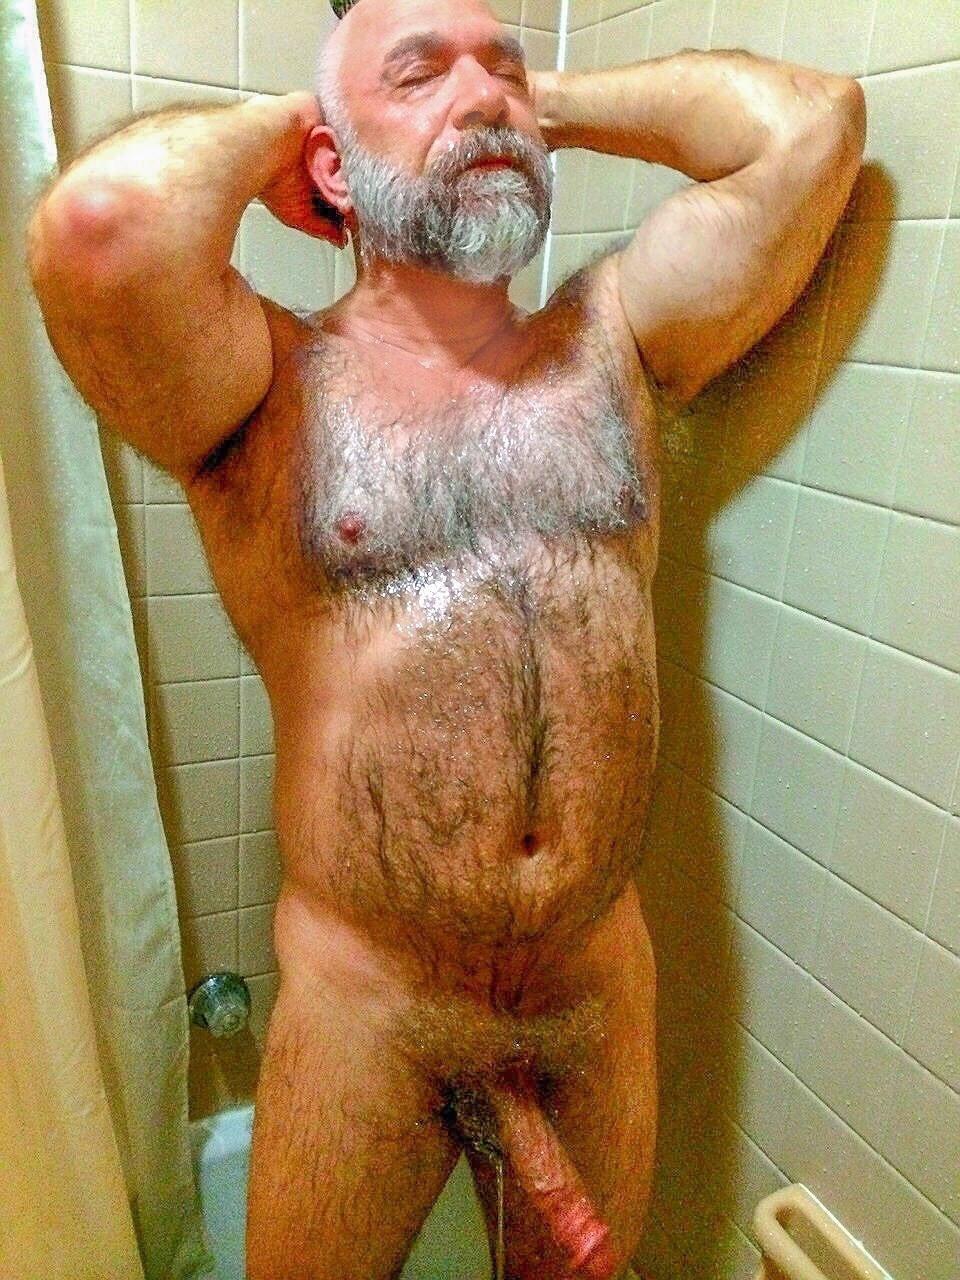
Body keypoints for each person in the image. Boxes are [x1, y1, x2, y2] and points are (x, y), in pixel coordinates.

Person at [27, 1, 865, 1275]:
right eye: (416, 76)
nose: (481, 96)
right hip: (371, 1013)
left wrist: (535, 108)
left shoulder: (616, 340)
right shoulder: (265, 388)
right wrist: (296, 131)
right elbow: (97, 230)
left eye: (504, 69)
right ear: (327, 163)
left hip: (594, 992)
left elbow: (815, 127)